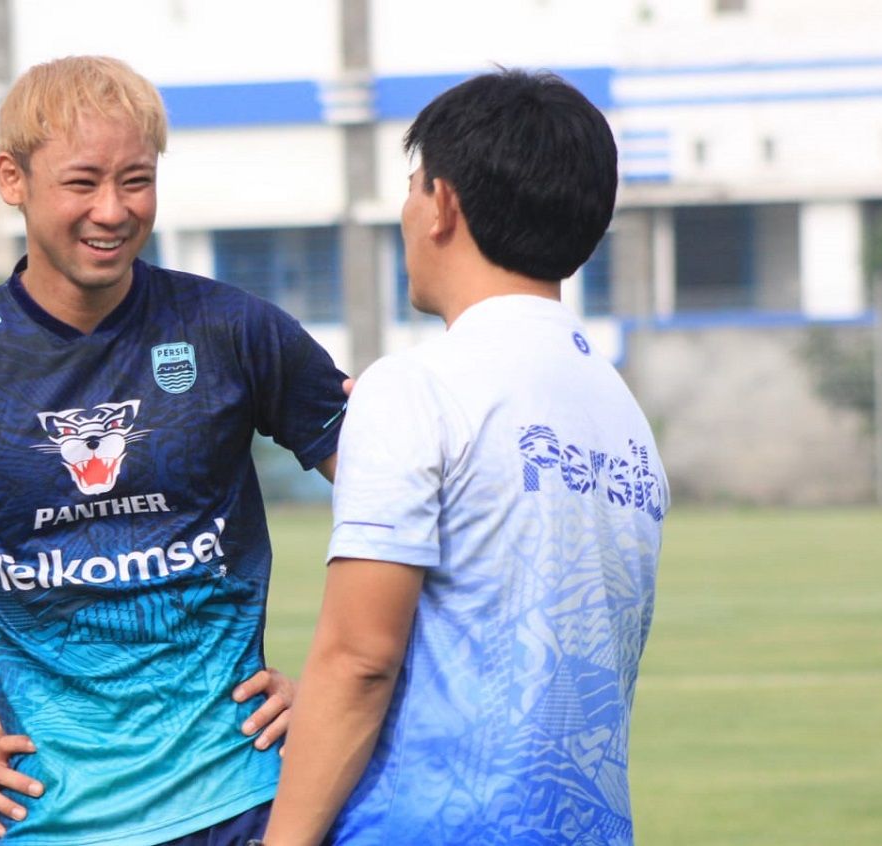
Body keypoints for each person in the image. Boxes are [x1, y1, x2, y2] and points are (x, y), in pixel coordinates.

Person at [0, 55, 347, 845]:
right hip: (55, 818)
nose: (113, 210)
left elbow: (390, 501)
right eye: (82, 182)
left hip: (245, 802)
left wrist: (335, 682)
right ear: (12, 179)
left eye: (136, 180)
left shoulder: (233, 331)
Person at [258, 70, 669, 845]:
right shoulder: (622, 413)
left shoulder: (415, 387)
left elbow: (360, 659)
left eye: (413, 188)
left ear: (442, 204)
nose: (408, 213)